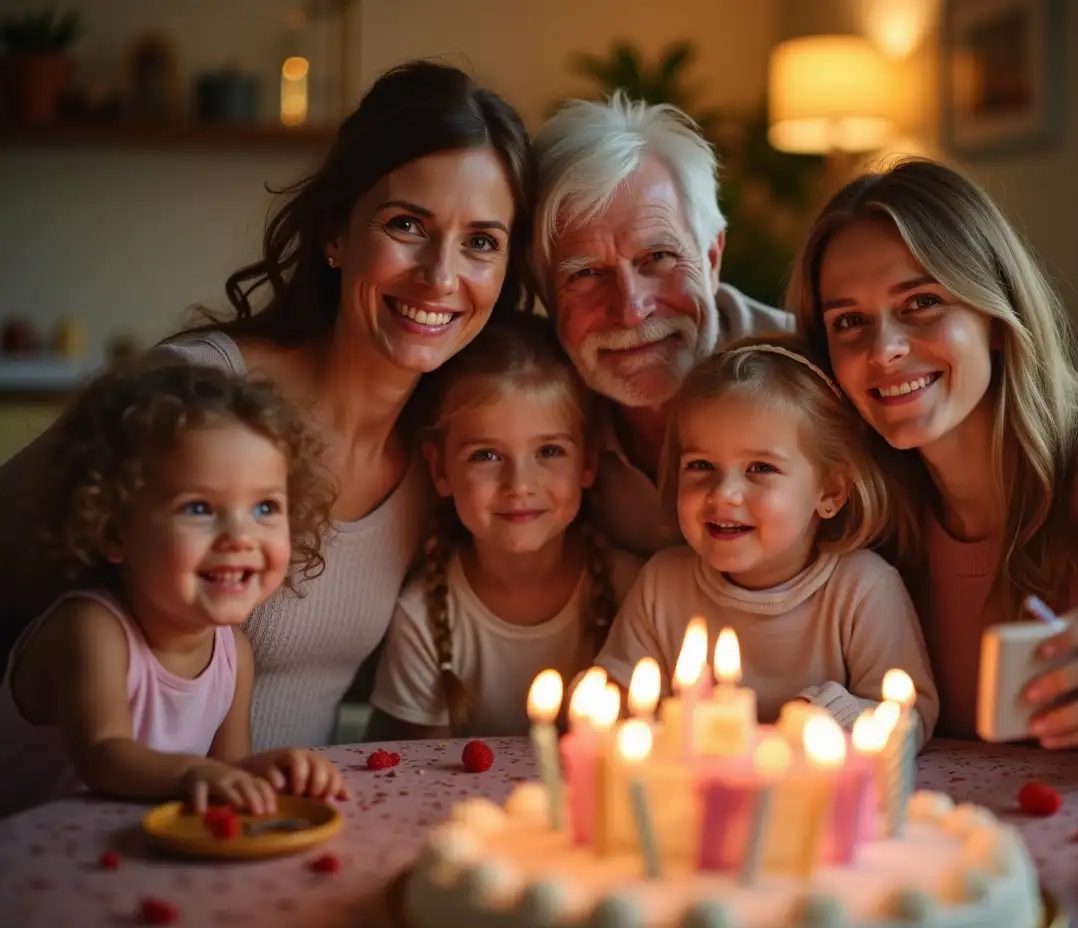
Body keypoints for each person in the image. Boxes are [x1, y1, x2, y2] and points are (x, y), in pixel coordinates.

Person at [0, 61, 536, 750]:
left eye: (481, 243)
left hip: (272, 832)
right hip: (84, 830)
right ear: (335, 234)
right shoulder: (197, 394)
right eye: (407, 225)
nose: (440, 276)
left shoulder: (450, 454)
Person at [789, 157, 1078, 775]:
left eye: (920, 301)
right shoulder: (864, 520)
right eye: (849, 322)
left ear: (996, 318)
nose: (883, 349)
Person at [0, 363, 347, 818]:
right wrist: (192, 773)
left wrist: (268, 770)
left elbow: (227, 771)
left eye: (265, 506)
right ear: (114, 531)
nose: (240, 537)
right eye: (199, 508)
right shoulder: (89, 629)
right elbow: (104, 754)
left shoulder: (232, 653)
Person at [594, 336, 939, 739]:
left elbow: (913, 717)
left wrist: (833, 716)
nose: (724, 493)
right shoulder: (661, 584)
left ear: (829, 492)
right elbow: (613, 695)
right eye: (701, 465)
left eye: (760, 468)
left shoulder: (863, 588)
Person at [532, 92, 795, 558]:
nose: (632, 310)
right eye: (585, 274)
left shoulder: (816, 375)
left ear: (712, 259)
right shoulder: (529, 420)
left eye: (658, 257)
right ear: (546, 296)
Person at [366, 313, 643, 739]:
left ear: (587, 461)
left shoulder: (634, 592)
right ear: (440, 469)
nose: (519, 485)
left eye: (549, 451)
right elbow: (415, 780)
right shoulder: (423, 616)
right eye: (486, 456)